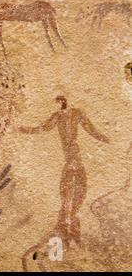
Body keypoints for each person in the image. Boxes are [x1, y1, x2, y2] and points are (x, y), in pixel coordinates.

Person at [18, 95, 110, 247]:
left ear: (60, 102)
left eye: (57, 103)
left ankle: (69, 232)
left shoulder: (62, 115)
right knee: (72, 197)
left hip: (72, 160)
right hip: (74, 160)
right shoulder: (72, 114)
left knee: (69, 197)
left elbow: (41, 129)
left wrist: (22, 129)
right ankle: (70, 233)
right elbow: (92, 130)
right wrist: (105, 139)